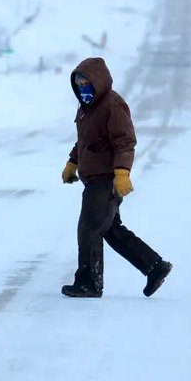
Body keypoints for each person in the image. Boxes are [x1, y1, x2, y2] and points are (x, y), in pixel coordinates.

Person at [60, 56, 172, 298]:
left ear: (97, 81)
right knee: (110, 229)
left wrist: (122, 173)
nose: (82, 89)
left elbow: (125, 141)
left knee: (89, 228)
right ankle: (154, 266)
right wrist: (73, 162)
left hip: (105, 179)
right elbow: (86, 141)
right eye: (78, 85)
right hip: (93, 177)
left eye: (86, 83)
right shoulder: (87, 108)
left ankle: (89, 283)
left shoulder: (112, 104)